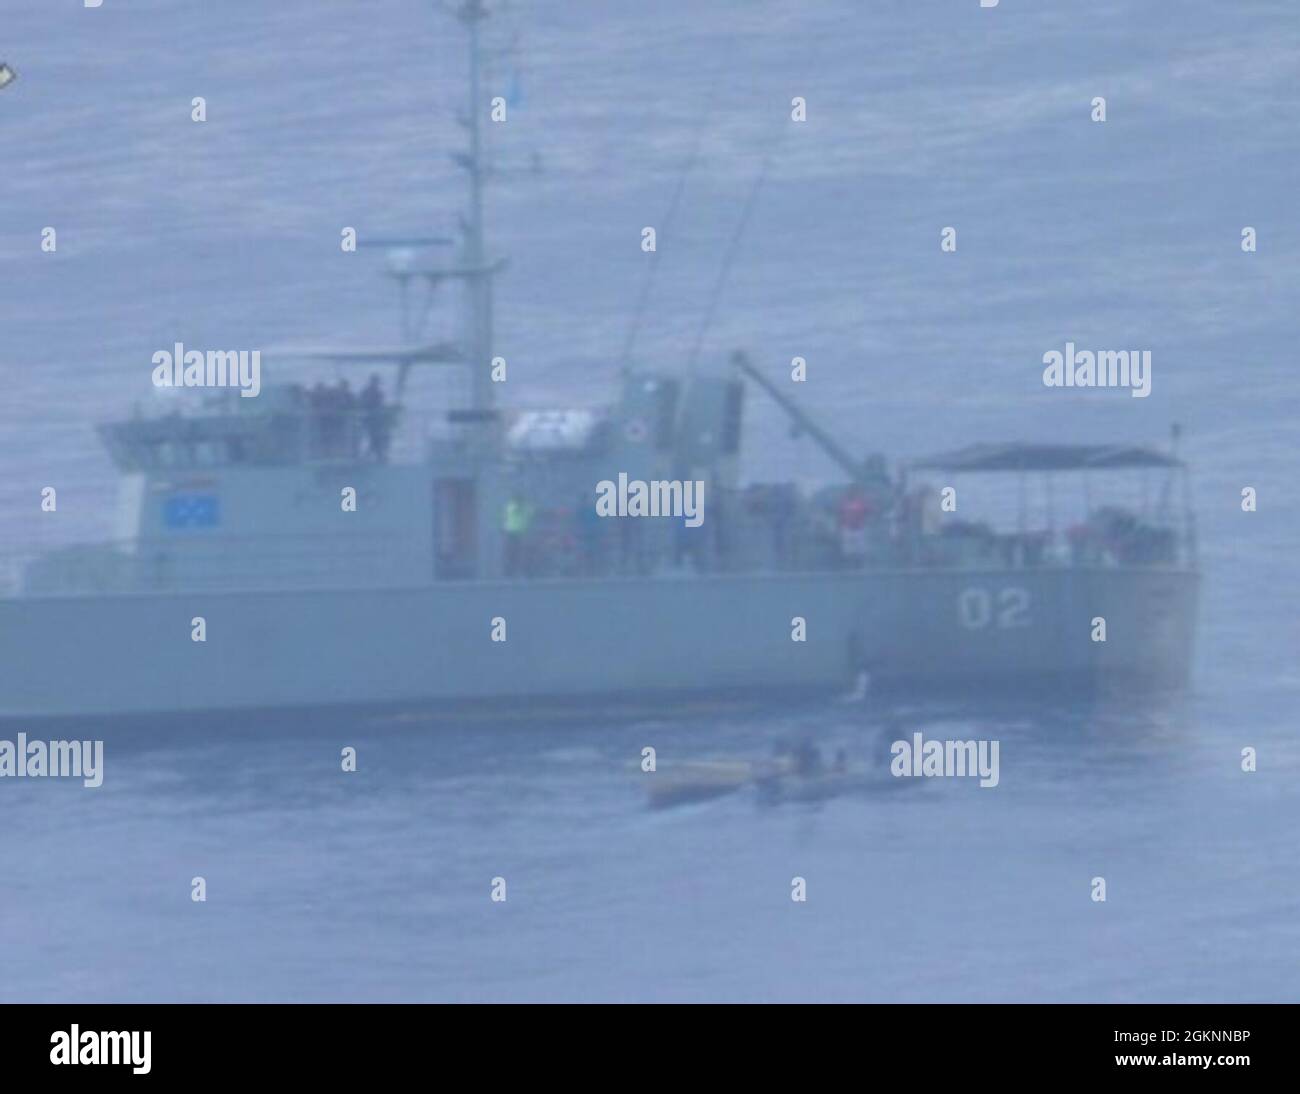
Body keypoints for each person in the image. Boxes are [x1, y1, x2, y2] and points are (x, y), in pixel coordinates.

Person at [360, 373, 390, 462]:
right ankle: (377, 456)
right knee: (374, 437)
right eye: (376, 381)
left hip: (377, 419)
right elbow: (363, 403)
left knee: (376, 438)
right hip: (370, 419)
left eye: (377, 382)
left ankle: (374, 456)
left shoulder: (378, 392)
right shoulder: (366, 392)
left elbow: (381, 405)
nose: (376, 383)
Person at [502, 495, 534, 577]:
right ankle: (509, 572)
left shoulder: (525, 507)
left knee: (522, 553)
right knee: (511, 553)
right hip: (511, 533)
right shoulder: (512, 506)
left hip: (521, 533)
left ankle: (522, 571)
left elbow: (532, 512)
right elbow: (517, 510)